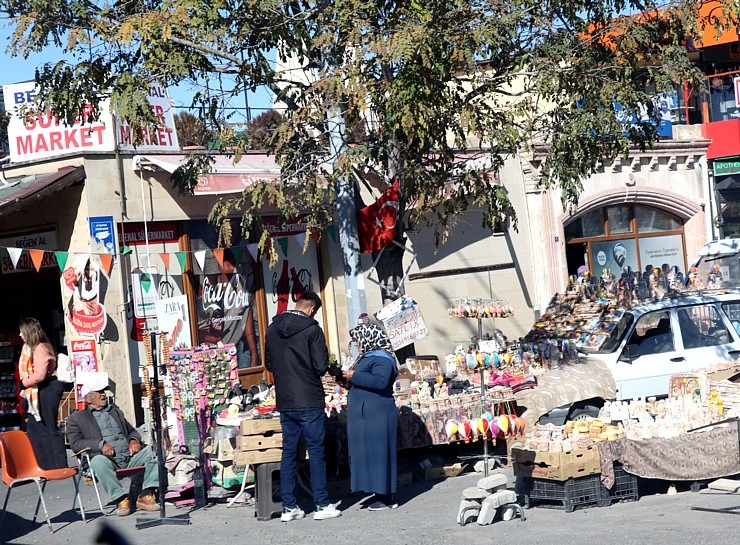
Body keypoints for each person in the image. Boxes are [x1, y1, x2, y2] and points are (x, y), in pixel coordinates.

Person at [265, 291, 341, 522]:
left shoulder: (272, 329)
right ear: (311, 309)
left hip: (286, 400)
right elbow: (320, 366)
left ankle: (289, 507)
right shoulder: (312, 329)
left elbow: (268, 364)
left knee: (289, 453)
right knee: (316, 452)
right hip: (309, 398)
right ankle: (321, 504)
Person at [66, 374, 160, 517]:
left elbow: (131, 431)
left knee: (154, 450)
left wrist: (133, 440)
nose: (103, 394)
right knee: (97, 461)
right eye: (99, 392)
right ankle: (121, 499)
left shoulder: (115, 411)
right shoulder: (76, 419)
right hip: (109, 462)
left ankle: (146, 494)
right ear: (87, 398)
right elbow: (76, 444)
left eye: (103, 391)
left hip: (129, 458)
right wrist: (100, 445)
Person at [343, 322, 399, 511]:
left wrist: (353, 376)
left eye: (358, 341)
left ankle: (386, 497)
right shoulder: (366, 357)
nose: (356, 345)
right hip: (367, 415)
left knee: (379, 454)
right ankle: (376, 491)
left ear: (369, 339)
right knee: (369, 454)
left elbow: (380, 381)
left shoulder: (382, 358)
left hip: (377, 415)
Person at [18, 317, 68, 469]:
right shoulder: (31, 348)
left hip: (48, 388)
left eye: (22, 331)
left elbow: (39, 375)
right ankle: (43, 464)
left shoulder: (40, 348)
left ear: (29, 332)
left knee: (48, 426)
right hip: (41, 390)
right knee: (35, 428)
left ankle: (56, 465)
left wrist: (23, 382)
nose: (20, 335)